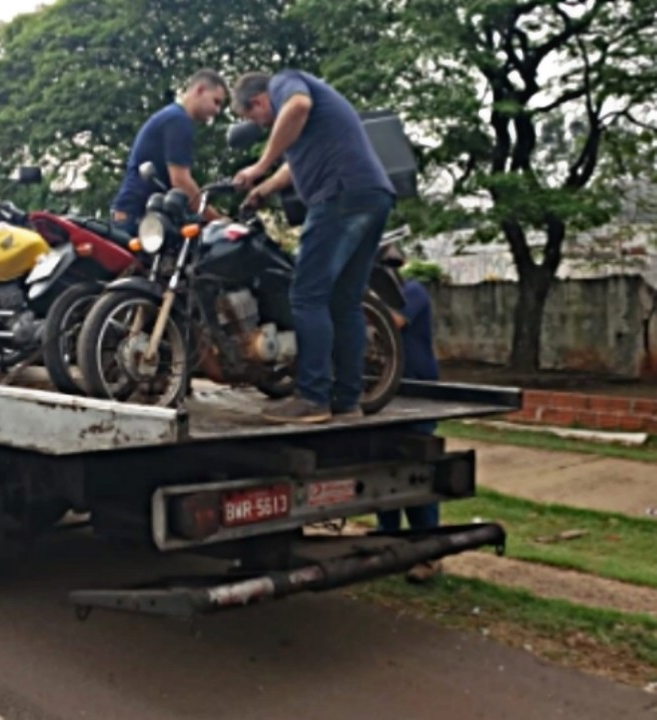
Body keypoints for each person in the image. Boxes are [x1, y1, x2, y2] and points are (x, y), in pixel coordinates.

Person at [231, 69, 397, 424]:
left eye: (253, 117)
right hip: (372, 195)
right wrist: (263, 189)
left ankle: (313, 397)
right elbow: (293, 166)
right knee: (345, 301)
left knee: (307, 295)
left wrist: (259, 166)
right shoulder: (308, 120)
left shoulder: (284, 83)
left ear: (259, 100)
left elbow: (298, 106)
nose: (260, 125)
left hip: (339, 196)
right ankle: (348, 402)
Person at [376, 272, 443, 583]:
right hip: (385, 393)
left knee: (415, 471)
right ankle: (388, 544)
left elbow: (393, 322)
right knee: (381, 466)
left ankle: (427, 554)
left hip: (417, 394)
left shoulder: (413, 292)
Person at [109, 69, 229, 237]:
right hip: (139, 219)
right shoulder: (179, 120)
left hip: (137, 215)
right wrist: (218, 221)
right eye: (216, 102)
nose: (217, 111)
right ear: (200, 90)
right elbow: (180, 181)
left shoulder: (172, 115)